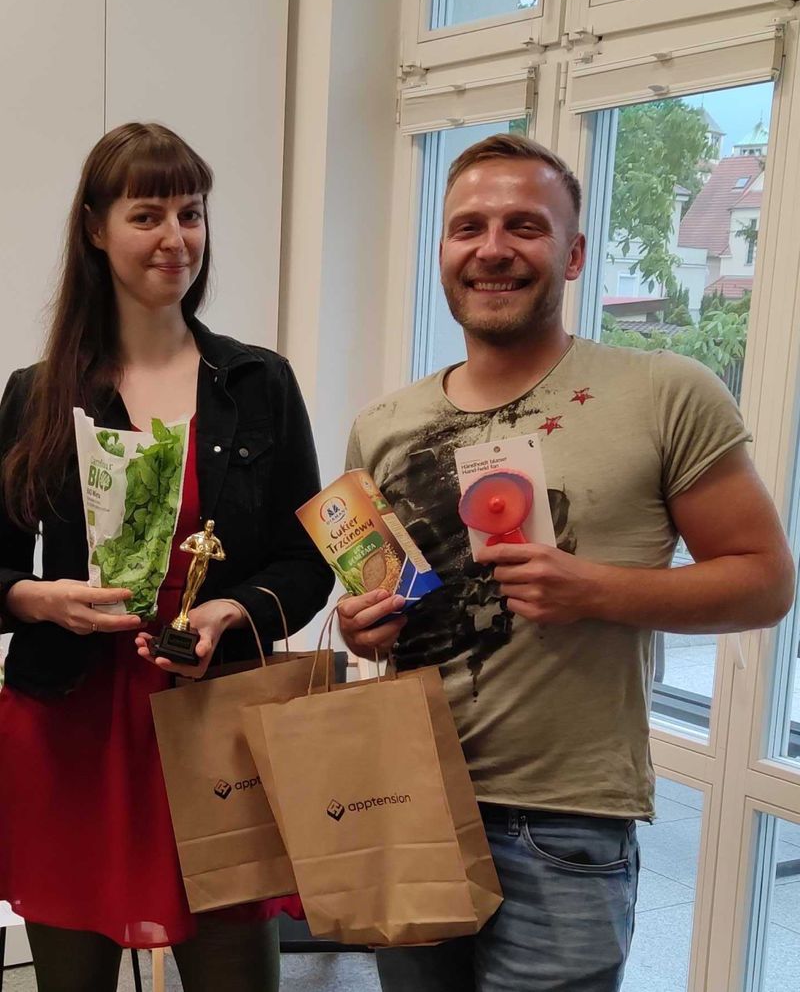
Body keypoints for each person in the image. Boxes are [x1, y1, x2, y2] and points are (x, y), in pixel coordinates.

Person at [337, 134, 795, 992]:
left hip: (567, 819)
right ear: (444, 251)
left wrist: (597, 590)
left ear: (574, 251)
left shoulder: (664, 391)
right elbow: (375, 604)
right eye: (468, 226)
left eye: (525, 225)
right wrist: (359, 625)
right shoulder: (383, 424)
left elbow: (767, 579)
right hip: (408, 801)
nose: (493, 248)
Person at [0, 122, 333, 992]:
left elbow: (308, 563)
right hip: (72, 727)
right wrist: (40, 600)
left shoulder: (259, 383)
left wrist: (236, 608)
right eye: (147, 214)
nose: (175, 237)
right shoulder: (37, 396)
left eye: (191, 212)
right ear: (94, 228)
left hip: (213, 725)